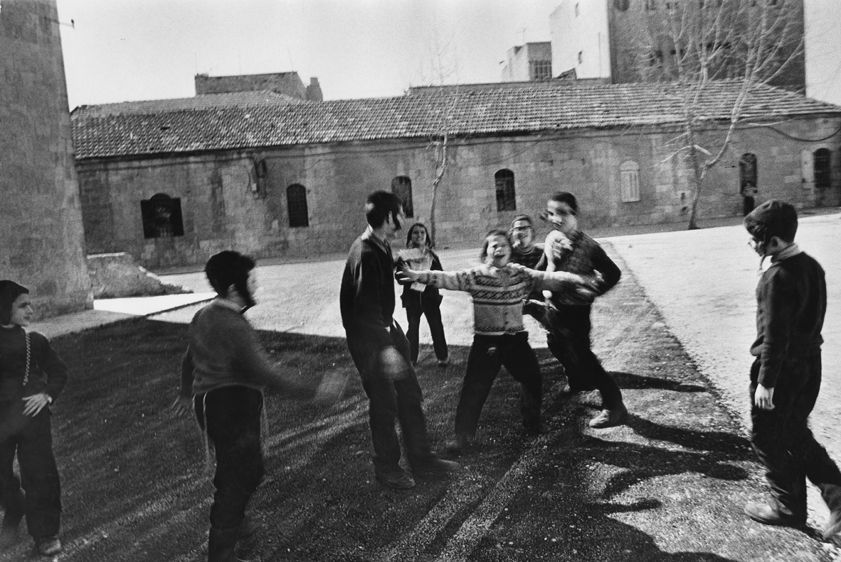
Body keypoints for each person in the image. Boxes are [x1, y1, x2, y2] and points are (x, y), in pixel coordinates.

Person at [173, 251, 333, 562]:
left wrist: (184, 392)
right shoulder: (232, 325)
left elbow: (189, 356)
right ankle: (223, 551)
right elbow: (266, 373)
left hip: (211, 405)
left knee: (237, 471)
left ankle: (236, 527)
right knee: (242, 475)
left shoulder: (205, 315)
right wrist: (316, 389)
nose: (257, 287)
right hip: (230, 406)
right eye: (252, 281)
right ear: (235, 289)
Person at [400, 229, 595, 452]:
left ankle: (532, 422)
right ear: (486, 253)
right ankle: (463, 438)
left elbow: (547, 279)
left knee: (532, 378)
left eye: (503, 245)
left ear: (510, 251)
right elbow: (446, 278)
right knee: (474, 389)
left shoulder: (520, 274)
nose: (499, 248)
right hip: (487, 343)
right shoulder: (475, 275)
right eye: (494, 245)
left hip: (516, 341)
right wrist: (418, 276)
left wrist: (578, 279)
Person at [339, 191, 459, 490]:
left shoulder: (378, 246)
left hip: (385, 332)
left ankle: (422, 459)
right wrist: (386, 349)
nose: (403, 219)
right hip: (371, 341)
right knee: (385, 403)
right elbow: (365, 311)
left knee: (410, 396)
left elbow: (382, 279)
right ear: (387, 216)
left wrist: (400, 272)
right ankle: (387, 468)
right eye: (399, 213)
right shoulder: (365, 252)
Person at [741, 200, 841, 546]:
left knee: (767, 437)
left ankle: (788, 506)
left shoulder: (776, 277)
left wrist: (766, 381)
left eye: (755, 238)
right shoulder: (811, 266)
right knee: (795, 433)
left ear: (774, 243)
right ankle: (837, 500)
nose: (751, 244)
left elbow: (775, 336)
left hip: (779, 370)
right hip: (809, 364)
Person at [541, 191, 628, 429]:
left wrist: (593, 291)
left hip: (576, 313)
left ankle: (614, 405)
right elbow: (542, 269)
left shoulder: (589, 246)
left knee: (585, 358)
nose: (556, 218)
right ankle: (578, 382)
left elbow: (613, 274)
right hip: (554, 310)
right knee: (556, 346)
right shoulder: (551, 239)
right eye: (551, 213)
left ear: (574, 214)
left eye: (562, 213)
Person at [0, 281, 66, 556]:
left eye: (30, 304)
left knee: (40, 474)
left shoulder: (34, 341)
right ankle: (15, 506)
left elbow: (59, 373)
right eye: (23, 305)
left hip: (32, 417)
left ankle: (45, 533)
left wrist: (46, 395)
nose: (31, 310)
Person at [397, 222, 449, 367]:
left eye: (422, 232)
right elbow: (399, 278)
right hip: (412, 298)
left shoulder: (432, 256)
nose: (419, 235)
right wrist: (416, 277)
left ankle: (443, 357)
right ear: (410, 236)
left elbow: (439, 275)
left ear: (426, 236)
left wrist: (419, 277)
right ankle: (411, 358)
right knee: (412, 328)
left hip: (430, 297)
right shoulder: (404, 256)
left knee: (436, 326)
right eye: (415, 232)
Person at [508, 214, 549, 324]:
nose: (522, 231)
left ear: (532, 232)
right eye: (518, 229)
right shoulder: (507, 256)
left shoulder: (543, 255)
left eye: (526, 228)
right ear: (512, 233)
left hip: (539, 301)